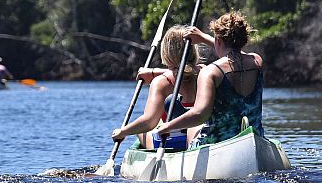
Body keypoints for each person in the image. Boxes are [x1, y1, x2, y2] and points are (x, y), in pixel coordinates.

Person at [156, 11, 264, 147]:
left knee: (193, 127)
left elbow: (199, 115)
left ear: (218, 40)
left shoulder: (210, 72)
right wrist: (203, 38)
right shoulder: (257, 61)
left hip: (218, 143)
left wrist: (167, 127)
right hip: (254, 136)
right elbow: (235, 52)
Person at [111, 25, 203, 149]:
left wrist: (123, 132)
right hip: (199, 136)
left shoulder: (161, 82)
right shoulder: (206, 72)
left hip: (170, 143)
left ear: (167, 52)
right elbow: (186, 71)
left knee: (141, 130)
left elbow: (149, 122)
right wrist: (154, 72)